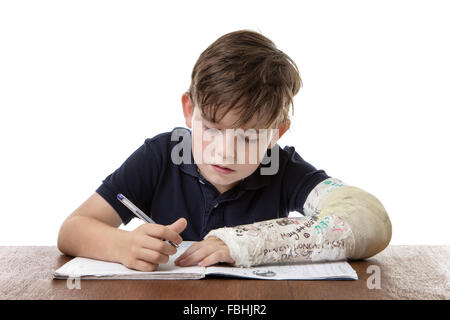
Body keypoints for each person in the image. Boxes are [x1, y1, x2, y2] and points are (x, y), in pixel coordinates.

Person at [57, 30, 392, 271]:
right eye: (212, 129)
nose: (225, 153)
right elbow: (72, 230)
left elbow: (369, 219)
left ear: (276, 134)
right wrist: (122, 245)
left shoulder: (283, 168)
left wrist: (239, 244)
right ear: (189, 111)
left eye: (247, 137)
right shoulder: (160, 156)